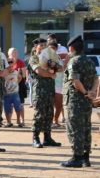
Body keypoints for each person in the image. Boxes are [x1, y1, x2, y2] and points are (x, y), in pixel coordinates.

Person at [61, 35, 98, 168]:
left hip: (75, 101)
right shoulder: (89, 61)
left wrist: (86, 92)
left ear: (71, 48)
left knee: (74, 129)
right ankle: (85, 158)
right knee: (86, 128)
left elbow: (75, 81)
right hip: (86, 102)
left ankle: (77, 157)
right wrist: (92, 93)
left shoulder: (74, 62)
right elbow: (96, 79)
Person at [28, 38, 61, 148]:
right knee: (39, 114)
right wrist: (51, 74)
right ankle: (35, 138)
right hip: (40, 90)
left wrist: (54, 66)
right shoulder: (33, 58)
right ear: (35, 47)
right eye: (40, 45)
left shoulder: (50, 57)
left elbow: (60, 68)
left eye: (44, 45)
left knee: (49, 113)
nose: (42, 47)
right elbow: (39, 71)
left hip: (50, 89)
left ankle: (47, 138)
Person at [8, 47, 27, 127]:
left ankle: (21, 120)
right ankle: (9, 121)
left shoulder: (21, 62)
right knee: (10, 104)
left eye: (15, 52)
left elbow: (24, 75)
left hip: (19, 85)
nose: (14, 54)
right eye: (12, 52)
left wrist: (17, 78)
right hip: (9, 86)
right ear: (9, 54)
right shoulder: (7, 62)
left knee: (20, 104)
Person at [3, 53, 22, 127]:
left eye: (12, 66)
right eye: (8, 66)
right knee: (7, 108)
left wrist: (16, 83)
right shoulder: (4, 73)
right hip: (6, 94)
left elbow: (20, 77)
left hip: (15, 93)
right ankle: (8, 122)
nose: (10, 67)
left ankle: (18, 121)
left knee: (18, 107)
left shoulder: (16, 72)